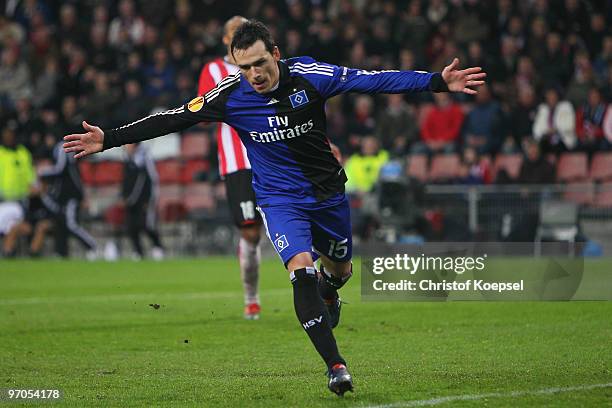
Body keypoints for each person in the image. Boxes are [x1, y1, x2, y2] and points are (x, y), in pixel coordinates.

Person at [63, 20, 486, 396]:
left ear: (276, 55)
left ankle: (330, 290)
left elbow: (372, 80)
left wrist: (434, 81)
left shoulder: (311, 77)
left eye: (260, 64)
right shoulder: (229, 96)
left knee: (339, 273)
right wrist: (111, 139)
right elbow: (174, 117)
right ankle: (336, 366)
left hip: (328, 197)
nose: (254, 75)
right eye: (243, 67)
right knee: (300, 272)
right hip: (279, 200)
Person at [198, 16, 263, 320]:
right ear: (226, 39)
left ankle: (319, 288)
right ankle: (251, 297)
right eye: (234, 33)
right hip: (238, 162)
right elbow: (203, 113)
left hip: (274, 154)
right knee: (250, 234)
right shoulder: (214, 70)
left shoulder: (264, 63)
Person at [40, 140, 97, 259]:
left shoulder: (62, 147)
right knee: (60, 223)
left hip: (71, 196)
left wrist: (42, 172)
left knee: (71, 224)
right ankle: (61, 253)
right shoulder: (61, 152)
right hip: (63, 196)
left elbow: (60, 169)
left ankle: (92, 246)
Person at [121, 143, 164, 260]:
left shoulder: (145, 157)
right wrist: (125, 196)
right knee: (131, 226)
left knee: (147, 225)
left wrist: (151, 198)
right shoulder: (127, 159)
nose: (126, 146)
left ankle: (157, 248)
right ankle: (138, 252)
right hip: (130, 200)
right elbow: (126, 180)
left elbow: (153, 178)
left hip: (145, 199)